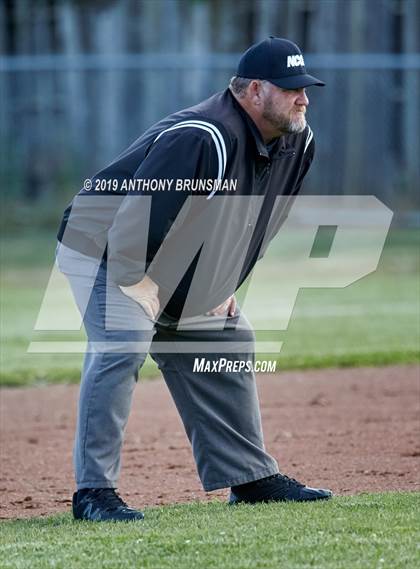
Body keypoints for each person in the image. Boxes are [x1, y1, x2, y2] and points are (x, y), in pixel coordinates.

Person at [56, 37, 332, 522]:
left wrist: (220, 283)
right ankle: (93, 494)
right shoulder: (204, 138)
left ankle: (250, 478)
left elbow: (258, 224)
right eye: (290, 89)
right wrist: (142, 289)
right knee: (124, 339)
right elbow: (132, 227)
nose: (303, 98)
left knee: (228, 337)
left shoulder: (297, 141)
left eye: (304, 88)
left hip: (169, 250)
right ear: (252, 91)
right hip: (105, 243)